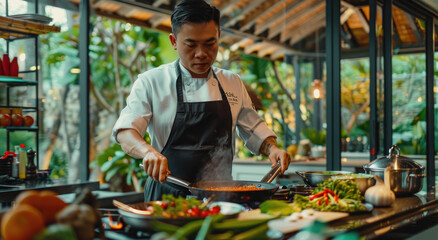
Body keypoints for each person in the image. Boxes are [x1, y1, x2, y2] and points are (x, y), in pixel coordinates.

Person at [112, 0, 291, 202]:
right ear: (173, 41)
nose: (201, 54)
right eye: (191, 44)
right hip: (167, 196)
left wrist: (273, 149)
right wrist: (147, 152)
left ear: (219, 37)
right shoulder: (152, 82)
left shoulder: (232, 82)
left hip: (220, 196)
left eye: (209, 43)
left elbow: (254, 128)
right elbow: (125, 132)